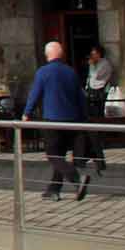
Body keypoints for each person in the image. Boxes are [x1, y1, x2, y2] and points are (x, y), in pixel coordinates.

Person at [21, 40, 90, 201]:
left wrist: (27, 113)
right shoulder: (71, 72)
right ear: (62, 54)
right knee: (60, 155)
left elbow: (35, 94)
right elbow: (80, 97)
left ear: (47, 55)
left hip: (52, 119)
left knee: (53, 155)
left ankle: (76, 179)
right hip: (72, 120)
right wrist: (84, 117)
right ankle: (53, 190)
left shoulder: (43, 72)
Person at [80, 45, 114, 174]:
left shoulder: (104, 64)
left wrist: (92, 65)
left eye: (94, 54)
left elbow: (97, 76)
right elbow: (90, 79)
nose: (92, 56)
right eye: (91, 54)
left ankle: (90, 158)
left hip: (99, 96)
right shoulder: (94, 64)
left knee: (93, 125)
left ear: (99, 54)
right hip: (91, 94)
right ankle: (92, 159)